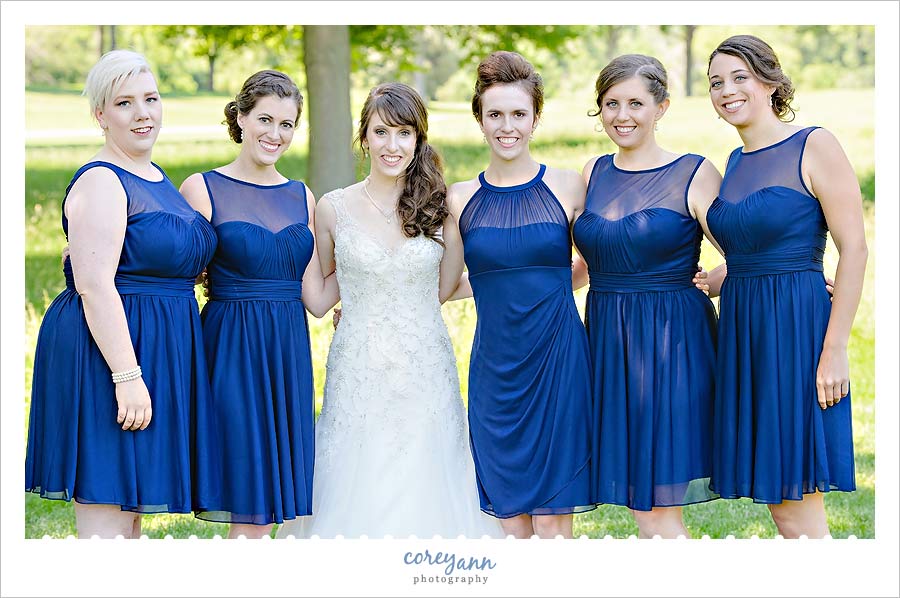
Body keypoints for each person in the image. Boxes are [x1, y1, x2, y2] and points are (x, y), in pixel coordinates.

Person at [277, 83, 502, 539]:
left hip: (424, 364)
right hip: (358, 366)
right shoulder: (331, 208)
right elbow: (319, 300)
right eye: (381, 132)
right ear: (364, 137)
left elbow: (442, 288)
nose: (392, 145)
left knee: (426, 472)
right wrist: (286, 242)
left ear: (419, 139)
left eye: (404, 133)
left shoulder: (441, 211)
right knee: (355, 472)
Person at [25, 50, 218, 538]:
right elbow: (94, 285)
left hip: (160, 347)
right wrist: (127, 375)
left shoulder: (157, 178)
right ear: (100, 115)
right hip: (111, 352)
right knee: (108, 508)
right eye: (125, 103)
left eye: (150, 99)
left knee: (131, 515)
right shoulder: (102, 179)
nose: (143, 114)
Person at [705, 35, 867, 538]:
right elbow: (754, 245)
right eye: (715, 82)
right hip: (744, 331)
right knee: (779, 498)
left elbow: (855, 248)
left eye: (739, 77)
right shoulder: (732, 163)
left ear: (771, 82)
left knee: (796, 496)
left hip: (796, 330)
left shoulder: (815, 144)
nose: (726, 90)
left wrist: (834, 349)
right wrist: (718, 276)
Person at [179, 71, 339, 539]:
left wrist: (373, 272)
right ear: (241, 117)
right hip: (230, 350)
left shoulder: (300, 196)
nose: (275, 134)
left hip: (286, 355)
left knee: (267, 512)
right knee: (249, 504)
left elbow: (315, 297)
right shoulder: (202, 189)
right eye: (265, 119)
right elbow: (177, 276)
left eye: (287, 124)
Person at [571, 55, 722, 538]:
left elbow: (747, 248)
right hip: (608, 345)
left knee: (657, 504)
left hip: (670, 344)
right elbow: (585, 266)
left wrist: (720, 277)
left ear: (662, 107)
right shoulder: (592, 172)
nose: (622, 115)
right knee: (643, 505)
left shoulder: (693, 173)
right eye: (611, 103)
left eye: (636, 102)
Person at [446, 51, 595, 539]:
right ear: (479, 119)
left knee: (553, 522)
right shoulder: (460, 197)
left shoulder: (569, 186)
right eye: (495, 115)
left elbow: (596, 262)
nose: (506, 127)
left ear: (535, 118)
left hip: (559, 364)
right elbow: (446, 286)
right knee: (511, 523)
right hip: (496, 373)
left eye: (518, 114)